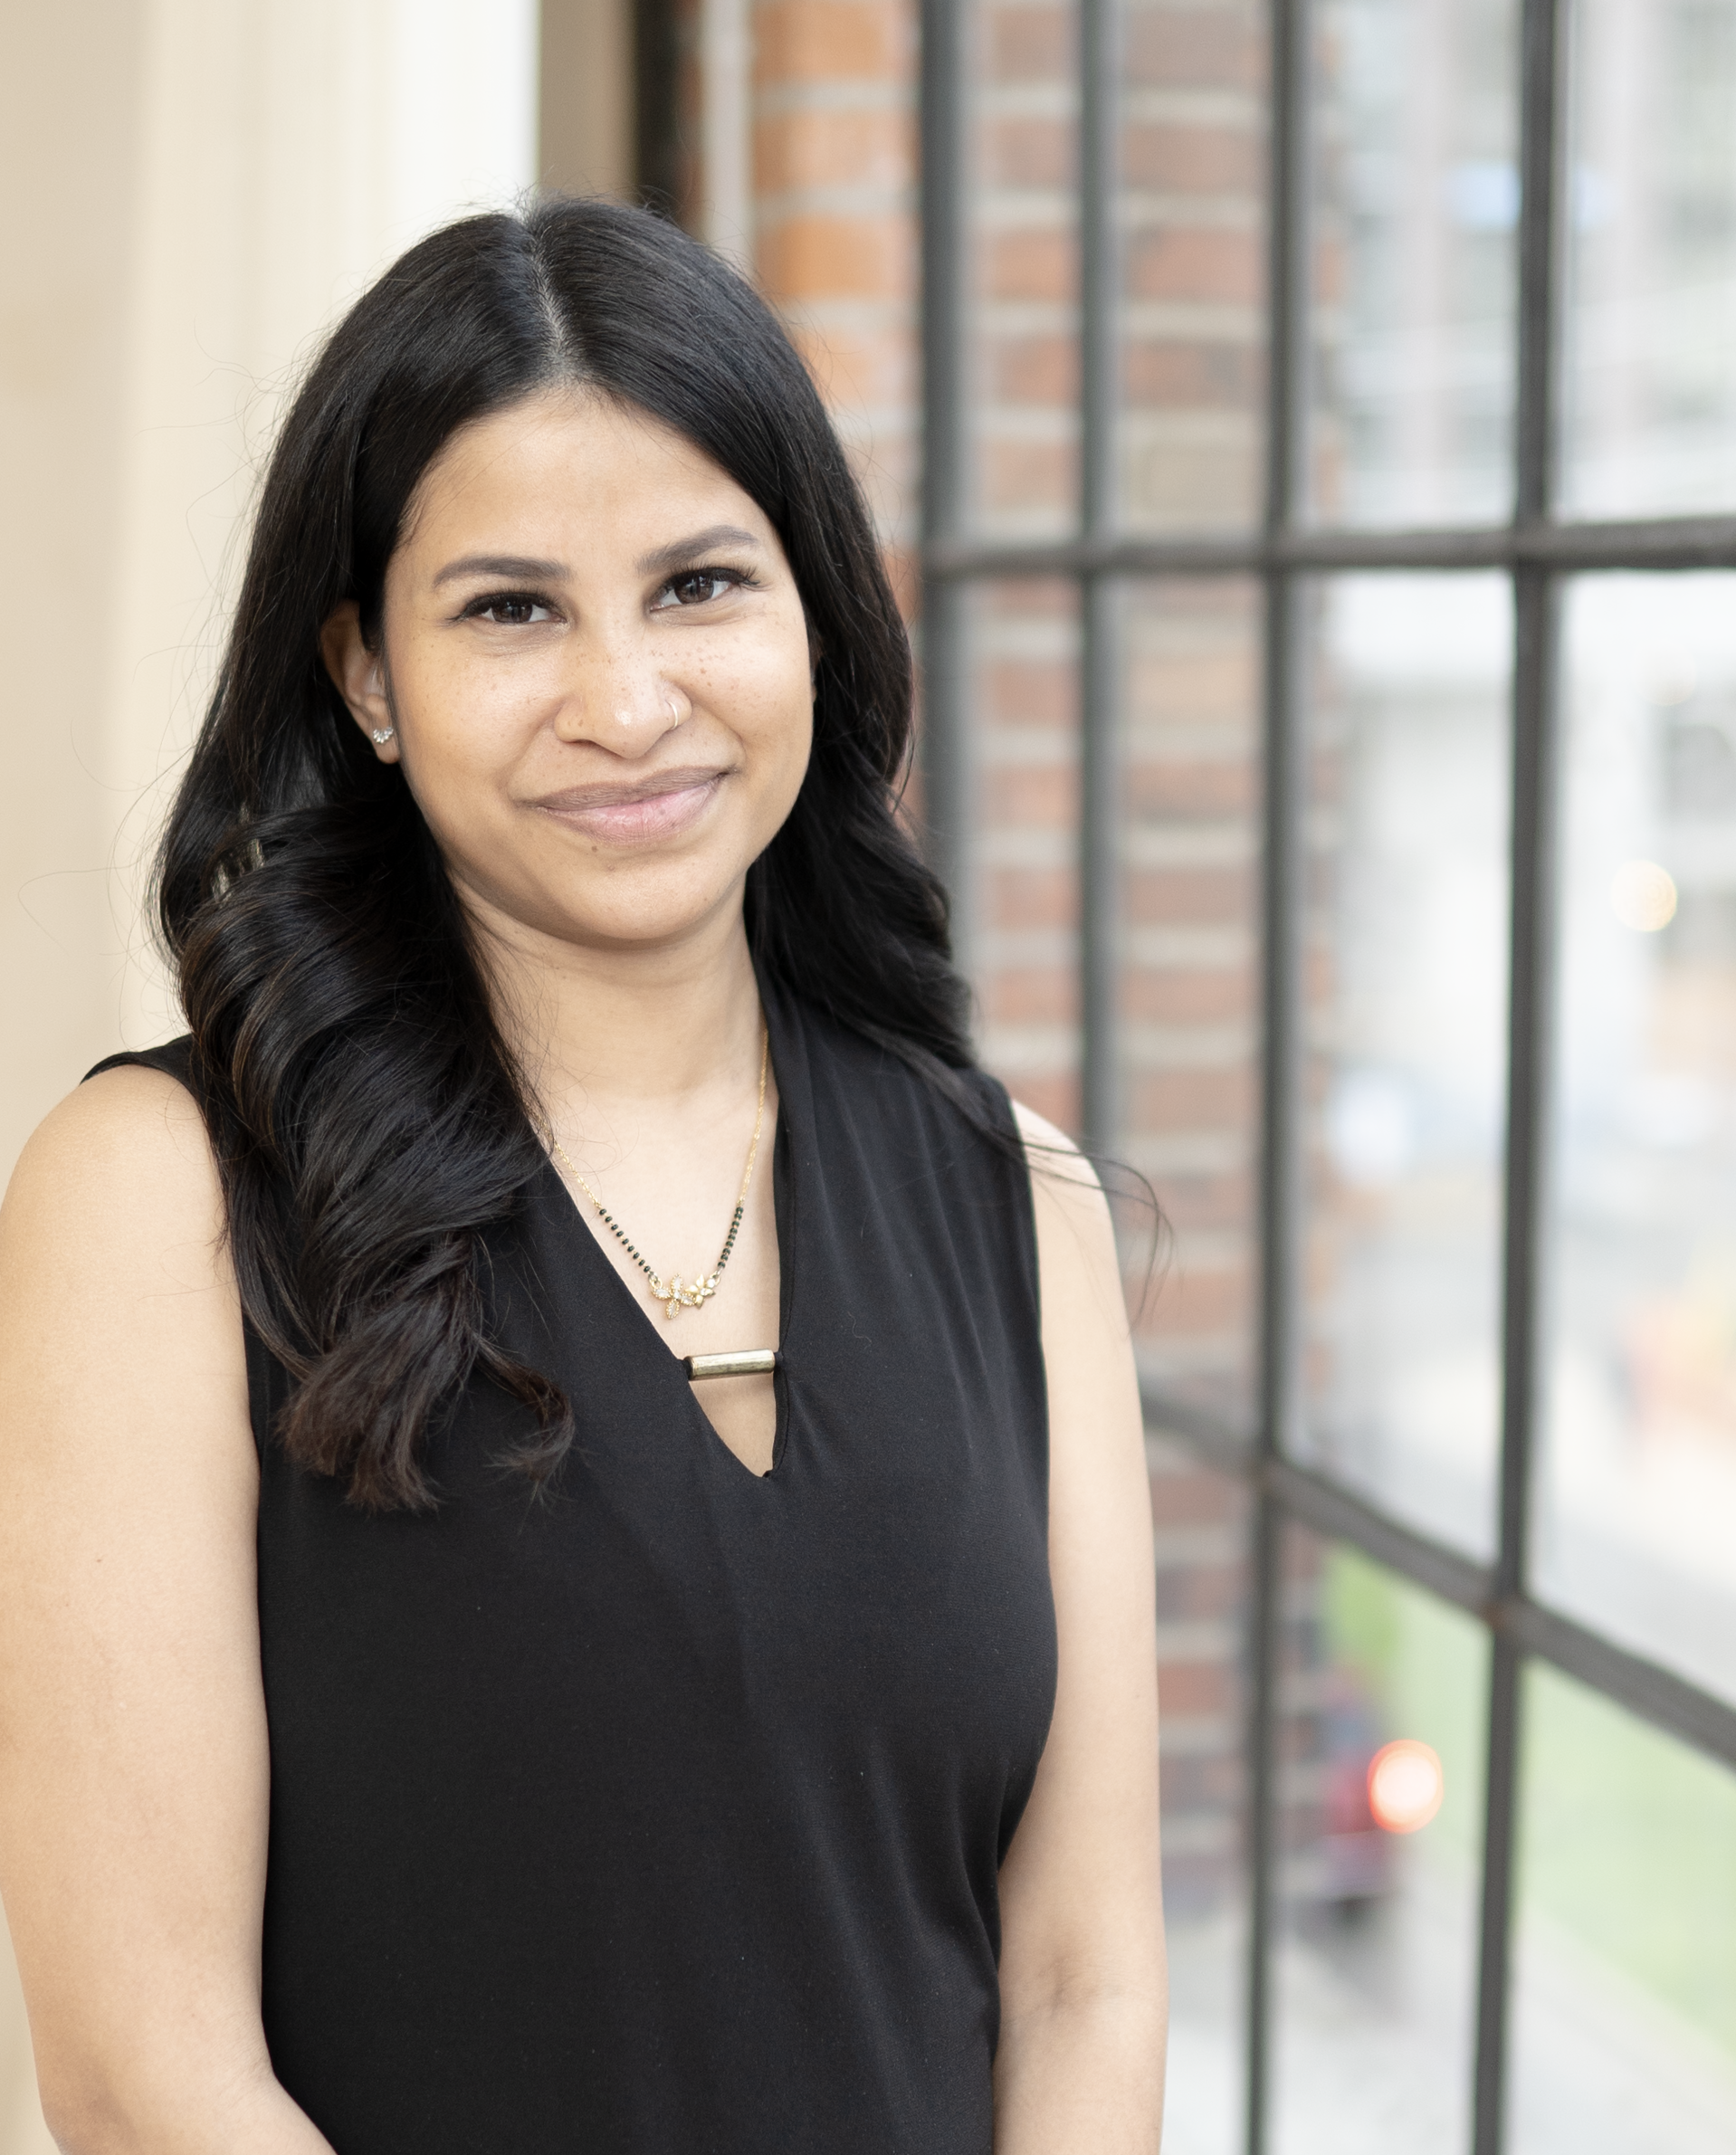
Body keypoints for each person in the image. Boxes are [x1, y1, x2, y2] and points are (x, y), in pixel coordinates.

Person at [0, 201, 1164, 2154]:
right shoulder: (159, 1203)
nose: (626, 703)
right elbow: (142, 2074)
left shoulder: (1014, 1201)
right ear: (367, 674)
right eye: (510, 610)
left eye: (700, 585)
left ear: (815, 617)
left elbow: (1083, 1980)